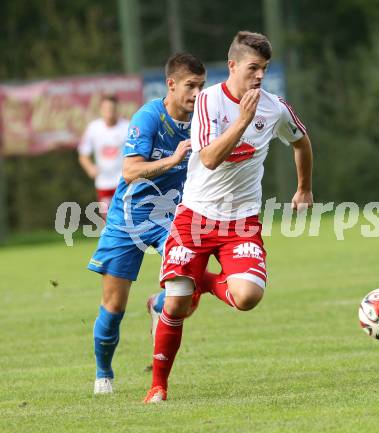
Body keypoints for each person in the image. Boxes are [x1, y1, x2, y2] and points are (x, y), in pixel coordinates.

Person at [144, 31, 313, 403]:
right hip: (196, 218)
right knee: (175, 301)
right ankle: (158, 386)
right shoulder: (208, 101)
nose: (259, 77)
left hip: (241, 223)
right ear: (233, 65)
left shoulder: (275, 107)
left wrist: (304, 187)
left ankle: (200, 281)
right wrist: (243, 119)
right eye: (253, 68)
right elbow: (208, 158)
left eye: (264, 69)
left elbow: (301, 141)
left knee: (249, 296)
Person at [88, 53, 206, 394]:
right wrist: (173, 159)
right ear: (171, 85)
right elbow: (129, 171)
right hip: (128, 218)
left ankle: (159, 304)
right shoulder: (149, 116)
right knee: (113, 307)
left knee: (189, 286)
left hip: (172, 218)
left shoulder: (203, 118)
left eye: (201, 86)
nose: (197, 93)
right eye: (190, 86)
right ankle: (103, 373)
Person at [78, 95, 129, 219]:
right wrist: (90, 168)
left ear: (117, 109)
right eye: (106, 109)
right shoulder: (93, 128)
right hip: (103, 181)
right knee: (107, 217)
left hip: (123, 180)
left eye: (112, 109)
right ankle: (112, 238)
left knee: (125, 217)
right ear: (101, 110)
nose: (109, 112)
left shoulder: (127, 126)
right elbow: (83, 155)